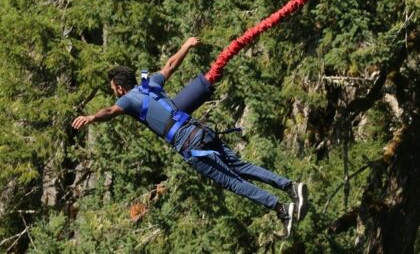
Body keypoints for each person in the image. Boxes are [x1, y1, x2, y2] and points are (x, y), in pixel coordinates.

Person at [72, 37, 308, 238]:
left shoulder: (127, 100)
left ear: (120, 89)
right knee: (241, 166)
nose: (114, 94)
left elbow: (110, 112)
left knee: (232, 181)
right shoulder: (149, 84)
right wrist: (186, 46)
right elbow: (170, 65)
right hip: (200, 129)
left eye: (113, 90)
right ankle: (290, 187)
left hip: (188, 143)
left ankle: (281, 209)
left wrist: (92, 117)